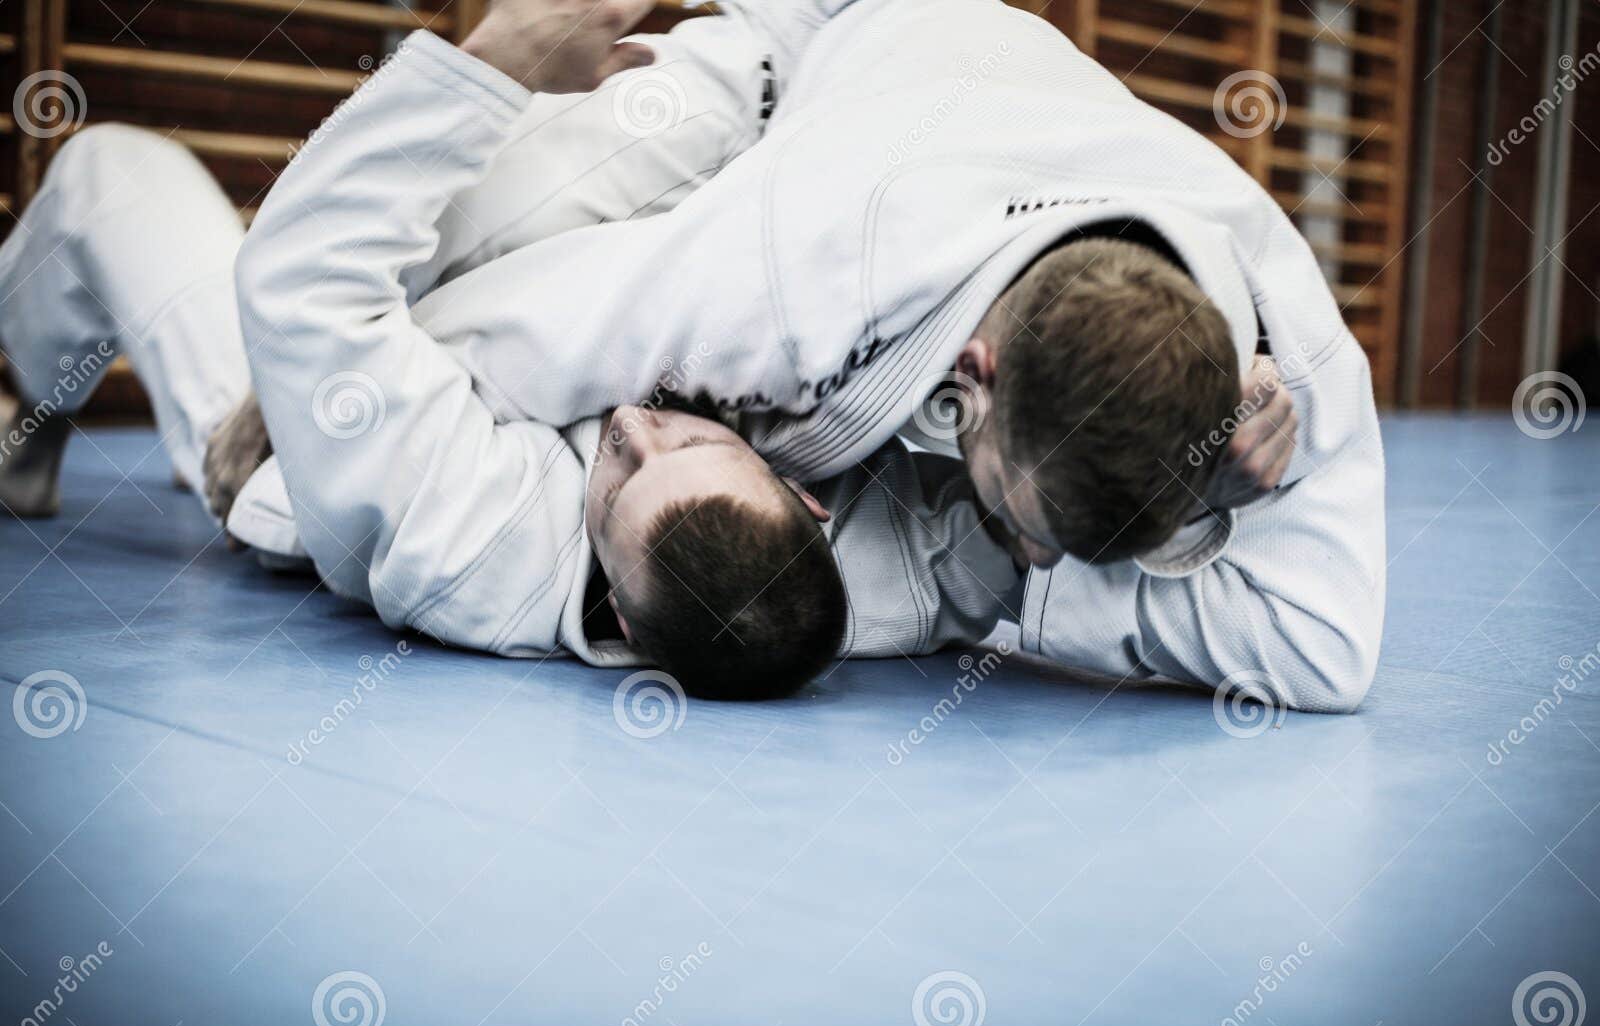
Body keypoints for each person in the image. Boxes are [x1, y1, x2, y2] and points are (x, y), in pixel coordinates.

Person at [273, 0, 1375, 712]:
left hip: (994, 91)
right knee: (504, 208)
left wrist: (1195, 516)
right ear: (974, 374)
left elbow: (1326, 650)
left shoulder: (1293, 352)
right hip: (808, 49)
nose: (1033, 564)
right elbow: (488, 337)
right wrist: (312, 435)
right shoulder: (793, 265)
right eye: (1031, 530)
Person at [0, 7, 1016, 695]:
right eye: (688, 441)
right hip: (482, 300)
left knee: (108, 174)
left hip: (279, 427)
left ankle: (19, 422)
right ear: (805, 502)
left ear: (615, 607)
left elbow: (308, 280)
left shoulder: (467, 542)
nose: (631, 426)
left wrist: (496, 65)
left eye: (619, 475)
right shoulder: (866, 582)